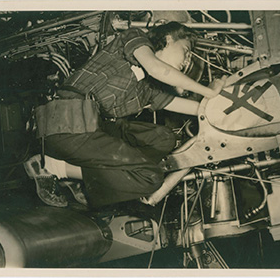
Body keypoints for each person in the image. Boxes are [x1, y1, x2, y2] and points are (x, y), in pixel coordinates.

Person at [24, 21, 226, 208]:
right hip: (67, 125)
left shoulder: (146, 89)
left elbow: (198, 109)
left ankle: (79, 174)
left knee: (163, 138)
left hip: (93, 130)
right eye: (186, 50)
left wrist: (224, 109)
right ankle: (53, 168)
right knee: (150, 177)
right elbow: (156, 68)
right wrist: (208, 91)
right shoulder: (134, 38)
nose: (188, 60)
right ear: (169, 38)